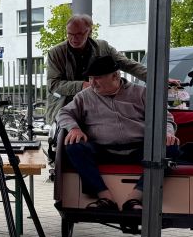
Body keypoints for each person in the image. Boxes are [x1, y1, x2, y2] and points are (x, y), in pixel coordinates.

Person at [57, 55, 178, 214]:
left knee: (171, 148)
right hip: (102, 150)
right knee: (74, 147)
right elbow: (63, 113)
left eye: (97, 78)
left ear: (115, 76)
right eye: (90, 78)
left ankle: (135, 198)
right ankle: (104, 197)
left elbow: (165, 118)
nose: (92, 83)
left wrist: (167, 133)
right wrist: (73, 128)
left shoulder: (141, 93)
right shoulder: (85, 96)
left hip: (139, 149)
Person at [45, 14, 148, 175]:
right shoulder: (56, 52)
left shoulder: (103, 47)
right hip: (67, 103)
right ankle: (66, 173)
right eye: (70, 34)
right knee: (66, 139)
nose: (74, 38)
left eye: (79, 34)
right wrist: (83, 86)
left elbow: (128, 64)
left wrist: (158, 79)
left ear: (89, 31)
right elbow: (53, 85)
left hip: (98, 101)